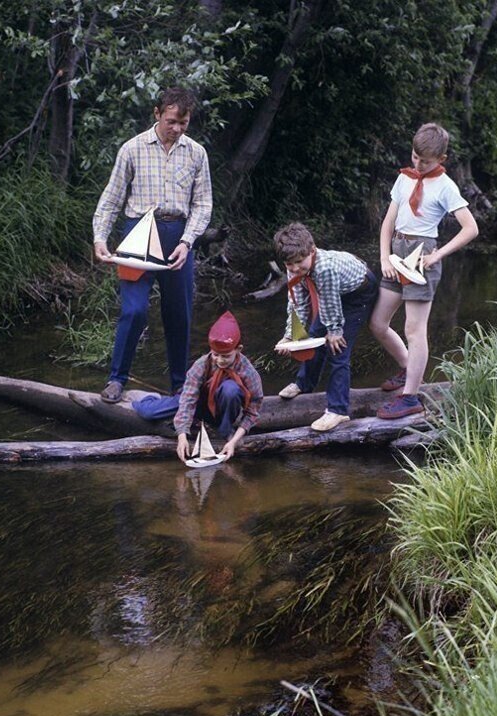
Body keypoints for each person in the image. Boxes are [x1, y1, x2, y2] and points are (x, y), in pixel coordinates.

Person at [93, 87, 212, 404]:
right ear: (157, 114)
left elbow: (202, 205)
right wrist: (100, 238)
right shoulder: (132, 149)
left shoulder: (196, 153)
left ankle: (178, 386)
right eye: (172, 121)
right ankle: (116, 380)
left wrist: (188, 242)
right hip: (138, 234)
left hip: (178, 236)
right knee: (134, 311)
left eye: (183, 123)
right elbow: (111, 200)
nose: (177, 129)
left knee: (179, 314)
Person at [370, 122, 479, 418]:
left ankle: (411, 397)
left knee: (414, 330)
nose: (418, 165)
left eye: (425, 162)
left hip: (422, 256)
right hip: (396, 253)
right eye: (415, 158)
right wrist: (384, 258)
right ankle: (408, 369)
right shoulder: (404, 179)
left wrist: (437, 255)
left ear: (441, 159)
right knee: (379, 323)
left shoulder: (445, 186)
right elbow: (388, 222)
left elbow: (471, 228)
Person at [274, 222, 378, 432]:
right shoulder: (294, 267)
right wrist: (290, 337)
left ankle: (338, 410)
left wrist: (335, 331)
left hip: (358, 293)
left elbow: (330, 303)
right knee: (313, 337)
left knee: (338, 349)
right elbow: (297, 303)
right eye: (289, 264)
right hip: (333, 294)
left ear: (312, 251)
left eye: (299, 262)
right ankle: (304, 384)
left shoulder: (325, 268)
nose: (294, 268)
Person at [174, 311, 263, 463]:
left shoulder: (248, 372)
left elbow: (253, 411)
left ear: (238, 349)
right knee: (152, 413)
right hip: (202, 409)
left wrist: (234, 441)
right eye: (216, 355)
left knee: (231, 389)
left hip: (227, 410)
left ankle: (226, 430)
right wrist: (182, 436)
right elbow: (188, 400)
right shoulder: (202, 365)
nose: (220, 360)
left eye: (226, 356)